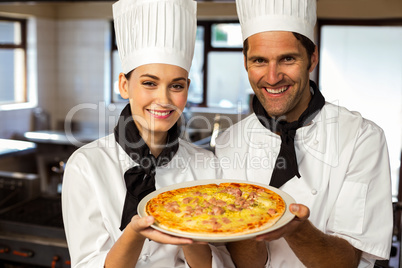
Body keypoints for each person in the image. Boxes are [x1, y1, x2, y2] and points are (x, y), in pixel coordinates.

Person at [215, 0, 393, 267]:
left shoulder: (361, 138)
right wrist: (247, 224)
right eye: (259, 61)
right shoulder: (229, 142)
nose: (272, 77)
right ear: (245, 62)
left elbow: (347, 262)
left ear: (312, 58)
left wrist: (295, 229)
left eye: (287, 59)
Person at [61, 0, 228, 267]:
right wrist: (134, 234)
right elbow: (87, 263)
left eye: (176, 85)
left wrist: (192, 235)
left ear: (188, 88)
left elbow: (222, 263)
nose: (163, 99)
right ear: (124, 85)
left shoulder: (206, 165)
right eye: (149, 83)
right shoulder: (86, 164)